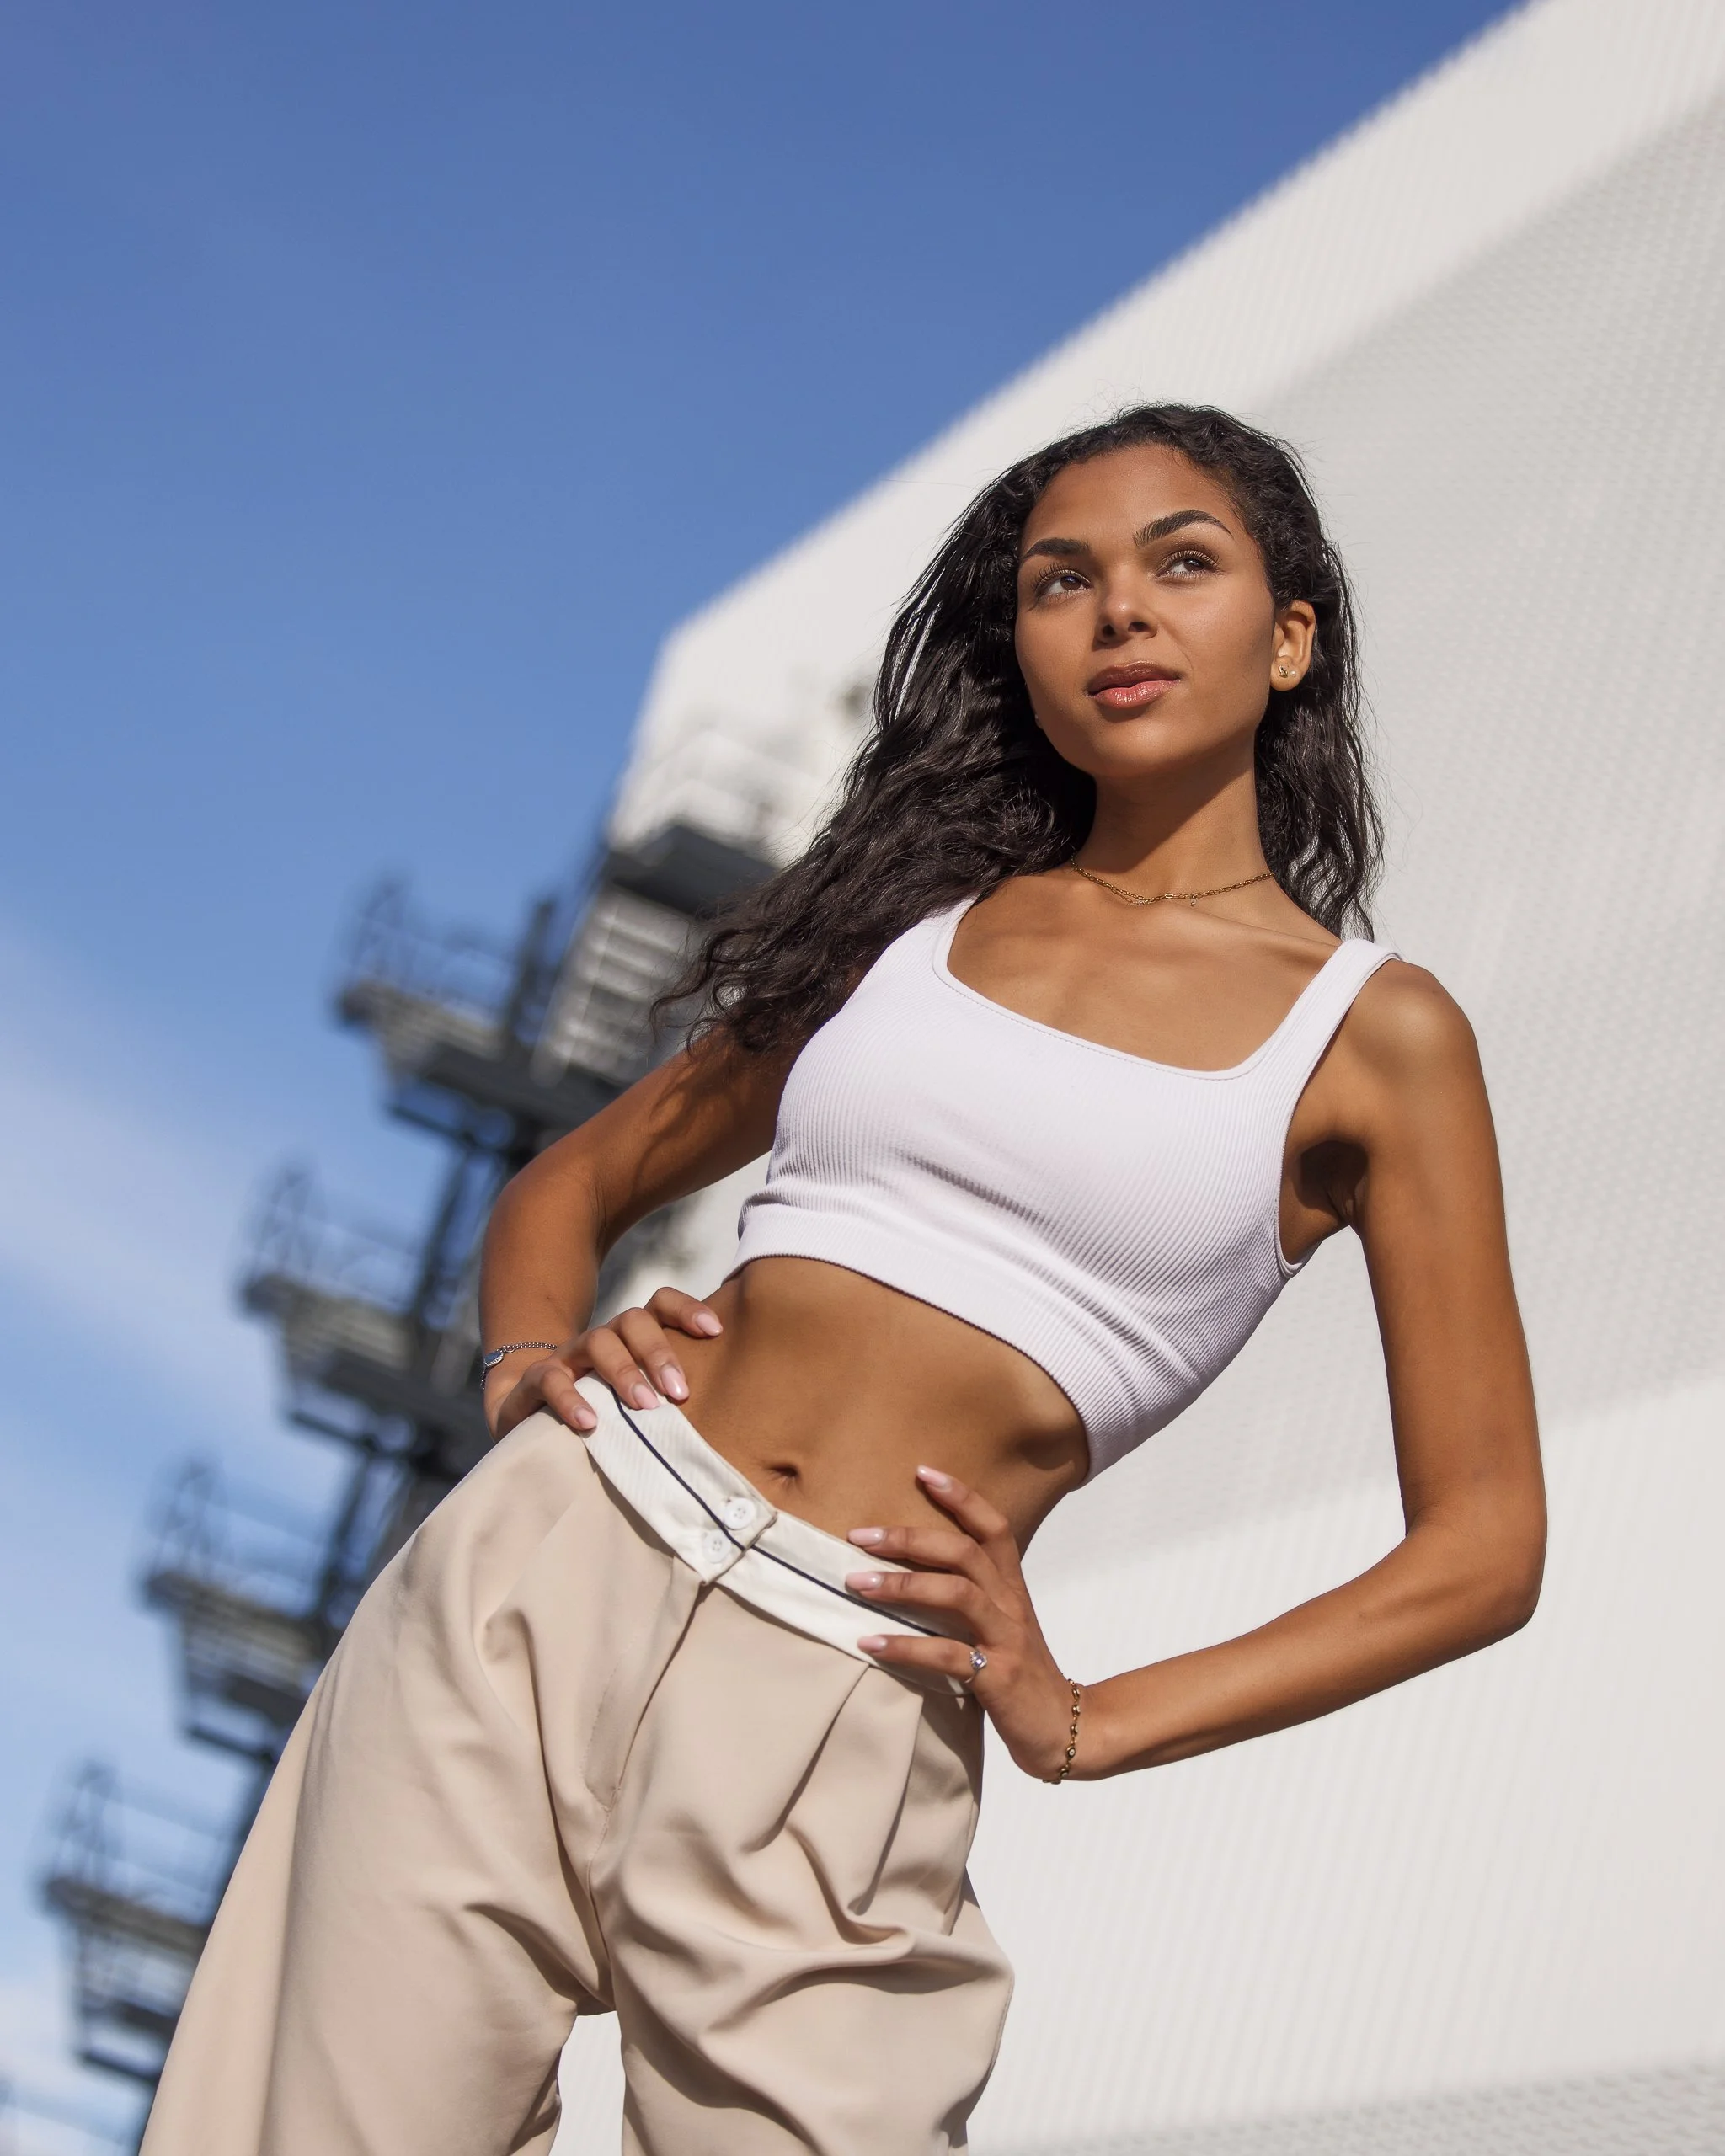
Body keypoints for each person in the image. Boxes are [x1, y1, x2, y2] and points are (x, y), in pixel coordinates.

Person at [142, 406, 1544, 2156]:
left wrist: (1090, 1713)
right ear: (1017, 647)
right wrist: (530, 1377)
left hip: (852, 1688)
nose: (1118, 611)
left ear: (1287, 637)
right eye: (1062, 580)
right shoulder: (920, 922)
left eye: (1181, 562)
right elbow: (572, 1179)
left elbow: (1483, 1547)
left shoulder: (1378, 1039)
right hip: (542, 1577)